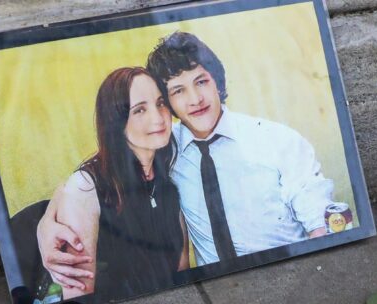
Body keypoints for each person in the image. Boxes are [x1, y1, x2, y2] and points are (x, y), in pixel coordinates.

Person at [39, 31, 335, 282]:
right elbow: (98, 171)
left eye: (202, 82)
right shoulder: (165, 146)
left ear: (217, 82)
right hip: (220, 287)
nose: (195, 100)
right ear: (167, 103)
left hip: (289, 273)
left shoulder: (276, 140)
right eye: (178, 90)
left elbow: (321, 219)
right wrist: (47, 225)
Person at [36, 66, 189, 302]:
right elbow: (79, 299)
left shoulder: (169, 173)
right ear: (115, 122)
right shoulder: (86, 187)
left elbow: (183, 276)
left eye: (160, 103)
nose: (158, 118)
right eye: (139, 110)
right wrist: (47, 220)